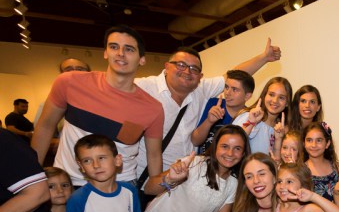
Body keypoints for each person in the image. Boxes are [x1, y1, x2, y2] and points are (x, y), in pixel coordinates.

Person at [31, 25, 165, 194]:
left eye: (129, 49)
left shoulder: (152, 108)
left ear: (142, 59)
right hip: (68, 184)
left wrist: (158, 192)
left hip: (120, 186)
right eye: (114, 47)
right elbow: (45, 126)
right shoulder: (69, 82)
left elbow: (154, 155)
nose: (120, 53)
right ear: (105, 53)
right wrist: (32, 178)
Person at [133, 39, 280, 178]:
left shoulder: (200, 89)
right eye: (181, 65)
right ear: (167, 66)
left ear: (200, 76)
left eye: (194, 69)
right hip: (146, 176)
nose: (187, 71)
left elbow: (234, 76)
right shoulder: (144, 87)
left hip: (189, 176)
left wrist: (264, 58)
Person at [191, 70, 254, 154]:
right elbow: (195, 141)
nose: (228, 93)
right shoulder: (213, 104)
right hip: (203, 160)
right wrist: (209, 121)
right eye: (226, 87)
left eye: (234, 89)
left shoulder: (250, 118)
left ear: (247, 96)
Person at [241, 77, 291, 156]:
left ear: (287, 103)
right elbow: (233, 142)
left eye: (281, 97)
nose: (275, 100)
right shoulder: (248, 117)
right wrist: (250, 123)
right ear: (264, 95)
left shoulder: (283, 129)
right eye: (271, 95)